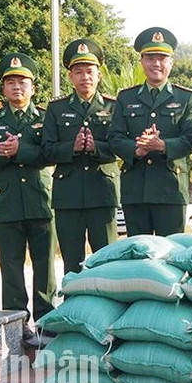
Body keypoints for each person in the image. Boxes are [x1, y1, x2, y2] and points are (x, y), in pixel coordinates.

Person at [0, 52, 56, 346]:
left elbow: (50, 153)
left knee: (44, 265)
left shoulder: (46, 118)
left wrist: (20, 150)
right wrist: (1, 153)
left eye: (22, 81)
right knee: (10, 266)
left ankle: (46, 324)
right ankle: (18, 323)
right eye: (10, 82)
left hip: (39, 199)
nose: (16, 87)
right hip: (7, 202)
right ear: (3, 89)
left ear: (33, 87)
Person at [108, 27, 192, 236]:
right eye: (150, 58)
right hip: (135, 190)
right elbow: (114, 137)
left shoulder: (186, 98)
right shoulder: (126, 97)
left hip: (171, 190)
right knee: (140, 256)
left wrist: (163, 146)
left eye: (162, 58)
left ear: (171, 62)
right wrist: (136, 150)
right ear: (142, 62)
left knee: (171, 255)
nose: (156, 64)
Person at [41, 39, 119, 275]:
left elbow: (120, 146)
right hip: (69, 195)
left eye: (89, 71)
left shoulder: (114, 106)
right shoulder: (56, 108)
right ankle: (73, 309)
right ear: (70, 77)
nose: (85, 77)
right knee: (71, 263)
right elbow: (46, 149)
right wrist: (71, 148)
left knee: (106, 261)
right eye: (78, 72)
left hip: (102, 191)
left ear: (99, 75)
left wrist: (96, 147)